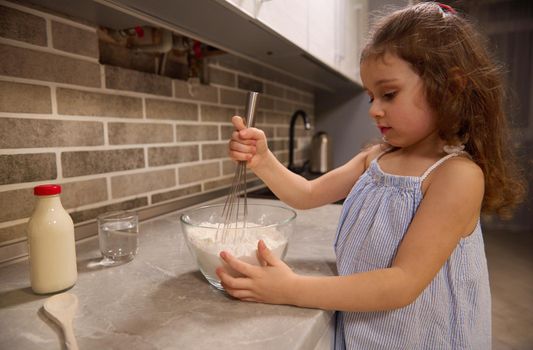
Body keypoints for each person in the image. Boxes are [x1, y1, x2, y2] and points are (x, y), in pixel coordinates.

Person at [216, 2, 526, 349]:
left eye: (389, 94)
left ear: (450, 88)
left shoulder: (456, 176)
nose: (374, 109)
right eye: (371, 96)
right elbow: (305, 194)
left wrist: (290, 288)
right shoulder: (377, 158)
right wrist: (262, 159)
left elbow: (402, 283)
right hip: (366, 331)